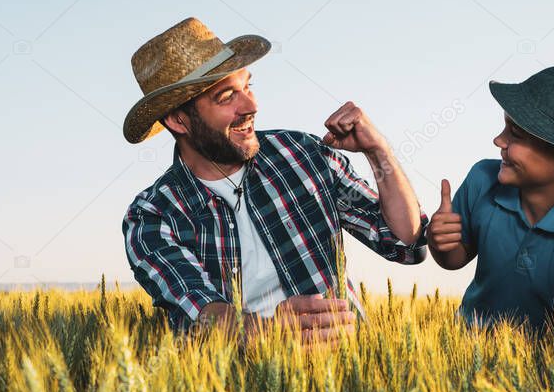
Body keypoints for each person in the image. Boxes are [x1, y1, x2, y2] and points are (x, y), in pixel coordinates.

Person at [121, 18, 427, 346]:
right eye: (227, 97)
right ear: (177, 120)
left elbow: (404, 242)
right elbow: (201, 310)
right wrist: (271, 334)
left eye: (247, 86)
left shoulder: (304, 154)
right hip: (236, 387)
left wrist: (379, 151)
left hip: (351, 368)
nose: (251, 106)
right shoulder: (153, 214)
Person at [426, 62, 554, 336]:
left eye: (516, 135)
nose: (498, 140)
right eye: (504, 127)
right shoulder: (482, 178)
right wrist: (440, 241)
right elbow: (455, 258)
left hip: (539, 370)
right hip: (466, 348)